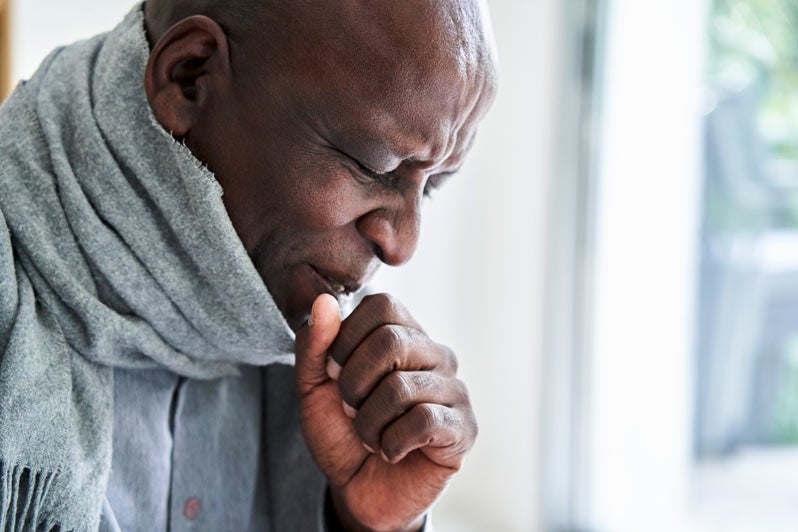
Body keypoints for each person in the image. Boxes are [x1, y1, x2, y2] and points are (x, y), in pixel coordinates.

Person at [0, 0, 497, 530]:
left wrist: (368, 523)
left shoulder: (320, 367)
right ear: (188, 78)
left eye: (434, 184)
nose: (402, 246)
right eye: (372, 164)